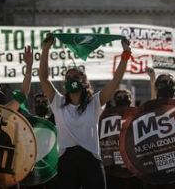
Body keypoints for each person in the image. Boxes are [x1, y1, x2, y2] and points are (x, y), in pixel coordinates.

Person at [38, 33, 131, 189]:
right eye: (68, 77)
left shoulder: (95, 102)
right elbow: (43, 78)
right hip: (67, 161)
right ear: (65, 83)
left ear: (84, 81)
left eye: (76, 76)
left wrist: (126, 53)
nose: (72, 79)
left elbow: (116, 81)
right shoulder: (58, 101)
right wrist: (46, 48)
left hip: (91, 159)